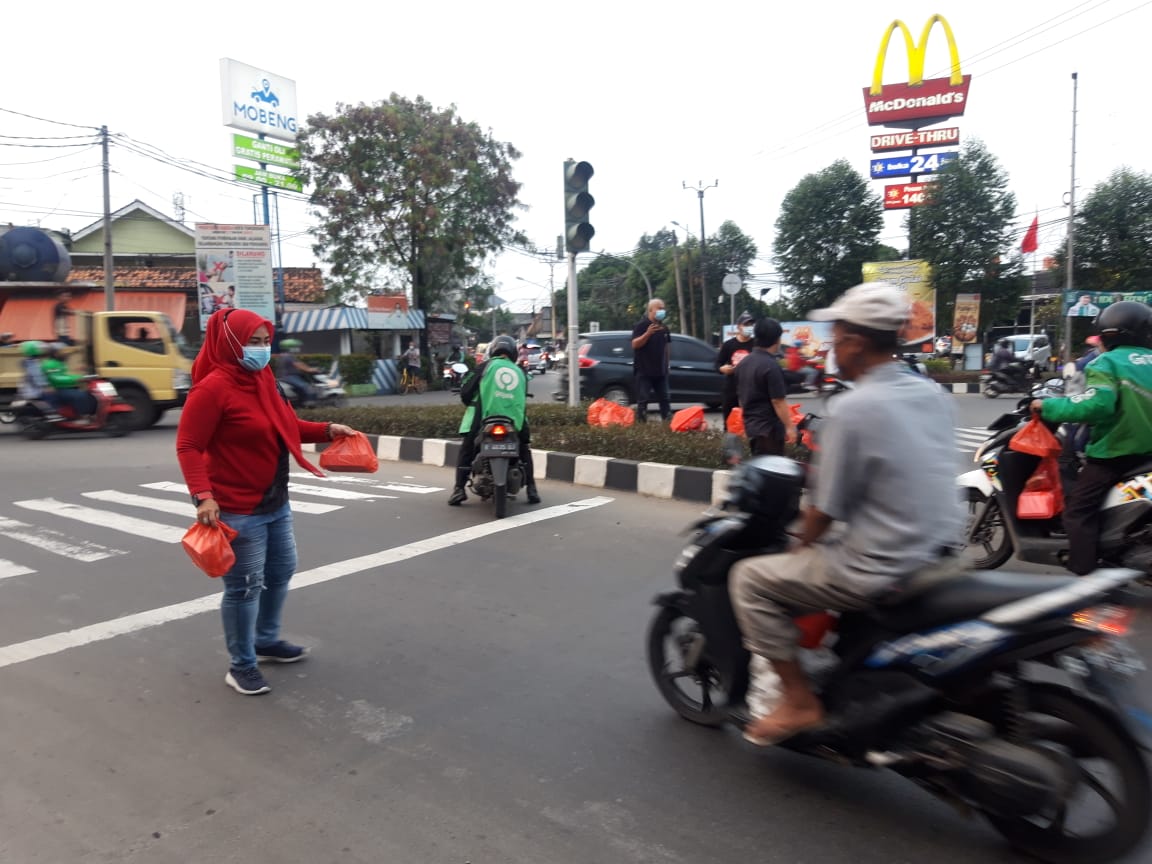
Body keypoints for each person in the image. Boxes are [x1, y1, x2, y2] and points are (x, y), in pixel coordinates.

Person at [730, 283, 964, 744]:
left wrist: (797, 542)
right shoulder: (931, 394)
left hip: (880, 564)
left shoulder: (855, 407)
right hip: (940, 550)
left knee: (750, 580)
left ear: (855, 342)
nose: (832, 347)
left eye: (836, 336)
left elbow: (823, 511)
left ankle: (798, 701)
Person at [176, 308, 359, 696]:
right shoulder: (212, 389)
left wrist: (326, 429)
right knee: (244, 586)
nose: (261, 349)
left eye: (264, 342)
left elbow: (285, 427)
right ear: (229, 343)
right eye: (251, 342)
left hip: (275, 500)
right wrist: (202, 496)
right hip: (238, 507)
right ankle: (241, 664)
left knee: (281, 571)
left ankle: (265, 639)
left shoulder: (264, 380)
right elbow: (189, 446)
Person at [1031, 301, 1152, 575]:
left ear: (1109, 334)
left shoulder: (1107, 362)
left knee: (1077, 510)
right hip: (1147, 454)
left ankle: (1083, 574)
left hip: (1117, 452)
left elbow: (1096, 405)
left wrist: (1046, 406)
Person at [448, 334, 540, 506]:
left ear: (493, 350)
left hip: (484, 420)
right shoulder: (520, 371)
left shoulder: (484, 367)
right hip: (515, 422)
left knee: (467, 449)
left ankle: (459, 489)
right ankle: (532, 490)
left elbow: (466, 392)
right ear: (513, 352)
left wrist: (470, 400)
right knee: (524, 449)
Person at [734, 318, 797, 457]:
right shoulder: (771, 366)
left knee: (760, 466)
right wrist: (789, 427)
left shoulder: (743, 363)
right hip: (769, 430)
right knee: (770, 471)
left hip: (752, 427)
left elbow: (741, 398)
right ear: (777, 339)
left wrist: (745, 422)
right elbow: (778, 401)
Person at [631, 298, 672, 422]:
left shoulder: (664, 328)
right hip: (644, 371)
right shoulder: (641, 326)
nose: (662, 311)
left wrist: (667, 364)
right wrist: (648, 333)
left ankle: (668, 426)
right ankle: (641, 428)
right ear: (650, 310)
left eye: (663, 308)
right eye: (659, 308)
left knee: (665, 400)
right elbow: (634, 344)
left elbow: (666, 347)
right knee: (643, 401)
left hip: (661, 371)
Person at [716, 312, 755, 427]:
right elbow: (717, 364)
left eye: (751, 325)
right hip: (731, 388)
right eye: (746, 324)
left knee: (750, 422)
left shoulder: (756, 344)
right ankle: (729, 443)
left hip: (751, 388)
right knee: (729, 422)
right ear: (739, 326)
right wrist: (722, 368)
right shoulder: (729, 345)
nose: (749, 327)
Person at [39, 342, 97, 418]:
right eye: (63, 352)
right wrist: (77, 378)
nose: (65, 354)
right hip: (57, 389)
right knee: (81, 396)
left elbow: (64, 375)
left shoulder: (58, 363)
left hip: (63, 388)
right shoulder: (49, 364)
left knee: (89, 393)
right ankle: (83, 416)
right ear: (55, 353)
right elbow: (56, 378)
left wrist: (83, 377)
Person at [276, 338, 320, 407]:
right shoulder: (288, 356)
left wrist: (310, 368)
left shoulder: (287, 355)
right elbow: (299, 365)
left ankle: (302, 401)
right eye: (295, 347)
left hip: (288, 376)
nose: (297, 348)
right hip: (289, 376)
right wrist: (310, 370)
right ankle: (310, 404)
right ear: (290, 347)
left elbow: (301, 364)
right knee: (306, 387)